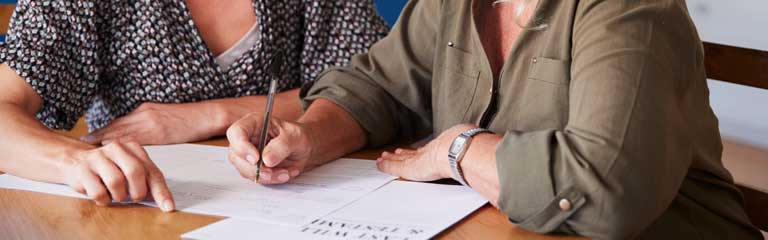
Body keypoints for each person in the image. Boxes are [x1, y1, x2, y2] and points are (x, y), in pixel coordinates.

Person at [226, 0, 762, 238]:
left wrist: (460, 149)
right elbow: (378, 85)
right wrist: (309, 135)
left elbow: (605, 193)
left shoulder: (628, 6)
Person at [0, 0, 388, 212]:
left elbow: (379, 87)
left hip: (305, 199)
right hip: (140, 210)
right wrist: (74, 161)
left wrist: (208, 115)